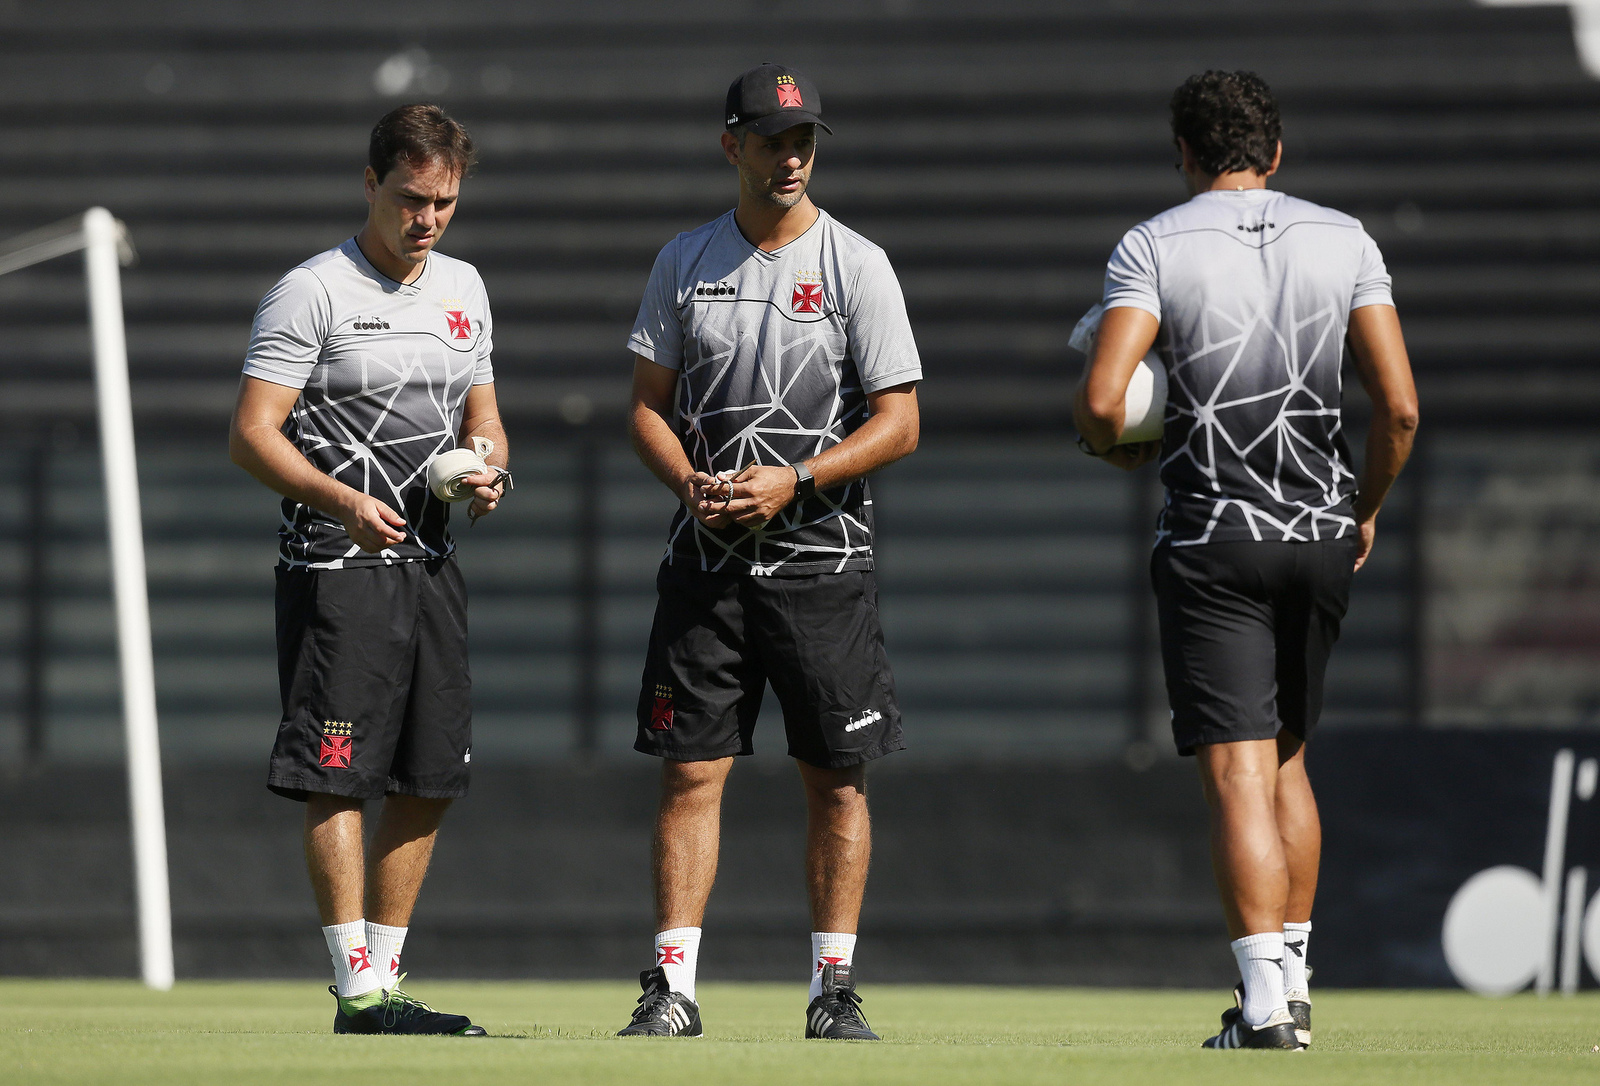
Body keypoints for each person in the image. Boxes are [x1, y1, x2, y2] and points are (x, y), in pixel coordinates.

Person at [1073, 71, 1418, 1050]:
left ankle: (1264, 1009)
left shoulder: (1152, 244)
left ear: (1183, 154)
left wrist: (1114, 444)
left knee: (1236, 771)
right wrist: (1364, 508)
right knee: (1287, 759)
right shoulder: (1346, 239)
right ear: (1275, 152)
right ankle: (1294, 986)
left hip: (1212, 538)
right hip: (1320, 535)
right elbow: (1398, 409)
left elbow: (1103, 403)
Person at [618, 62, 922, 1040]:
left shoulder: (857, 264)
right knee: (689, 775)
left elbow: (900, 422)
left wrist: (793, 480)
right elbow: (647, 409)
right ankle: (671, 989)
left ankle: (833, 992)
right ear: (731, 146)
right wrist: (688, 483)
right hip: (705, 570)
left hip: (823, 568)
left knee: (836, 779)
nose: (791, 158)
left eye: (803, 142)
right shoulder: (684, 261)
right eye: (771, 141)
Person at [228, 103, 509, 1037]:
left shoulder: (465, 286)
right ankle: (355, 989)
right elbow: (252, 435)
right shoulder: (311, 291)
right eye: (410, 198)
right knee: (339, 773)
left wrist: (488, 469)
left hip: (432, 564)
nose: (426, 219)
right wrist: (340, 500)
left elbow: (484, 418)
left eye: (444, 203)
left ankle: (383, 983)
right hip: (337, 565)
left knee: (430, 778)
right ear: (370, 184)